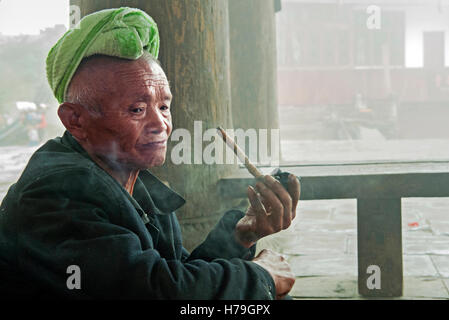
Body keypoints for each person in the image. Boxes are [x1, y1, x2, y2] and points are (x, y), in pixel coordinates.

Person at [0, 7, 300, 299]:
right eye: (137, 109)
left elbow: (173, 273)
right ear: (76, 120)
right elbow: (150, 291)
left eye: (164, 106)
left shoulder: (131, 181)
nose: (161, 125)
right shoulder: (55, 192)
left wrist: (240, 235)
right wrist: (260, 278)